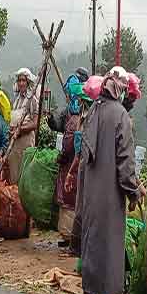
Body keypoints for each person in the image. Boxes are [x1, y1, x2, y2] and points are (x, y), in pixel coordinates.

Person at [64, 67, 143, 294]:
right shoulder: (120, 116)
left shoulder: (93, 110)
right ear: (120, 90)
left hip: (90, 192)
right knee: (108, 245)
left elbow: (84, 149)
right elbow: (125, 160)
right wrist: (133, 191)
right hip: (110, 192)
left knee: (90, 241)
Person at [52, 73, 88, 248]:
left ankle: (70, 236)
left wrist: (64, 155)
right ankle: (71, 237)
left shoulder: (78, 117)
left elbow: (70, 140)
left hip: (73, 162)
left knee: (70, 196)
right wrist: (51, 121)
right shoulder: (73, 112)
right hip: (74, 161)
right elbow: (60, 127)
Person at [7, 67, 40, 185]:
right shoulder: (15, 101)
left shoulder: (32, 100)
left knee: (24, 176)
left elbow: (35, 123)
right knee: (14, 174)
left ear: (28, 82)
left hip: (26, 142)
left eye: (23, 80)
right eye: (19, 80)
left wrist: (20, 130)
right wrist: (12, 130)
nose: (21, 83)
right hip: (14, 143)